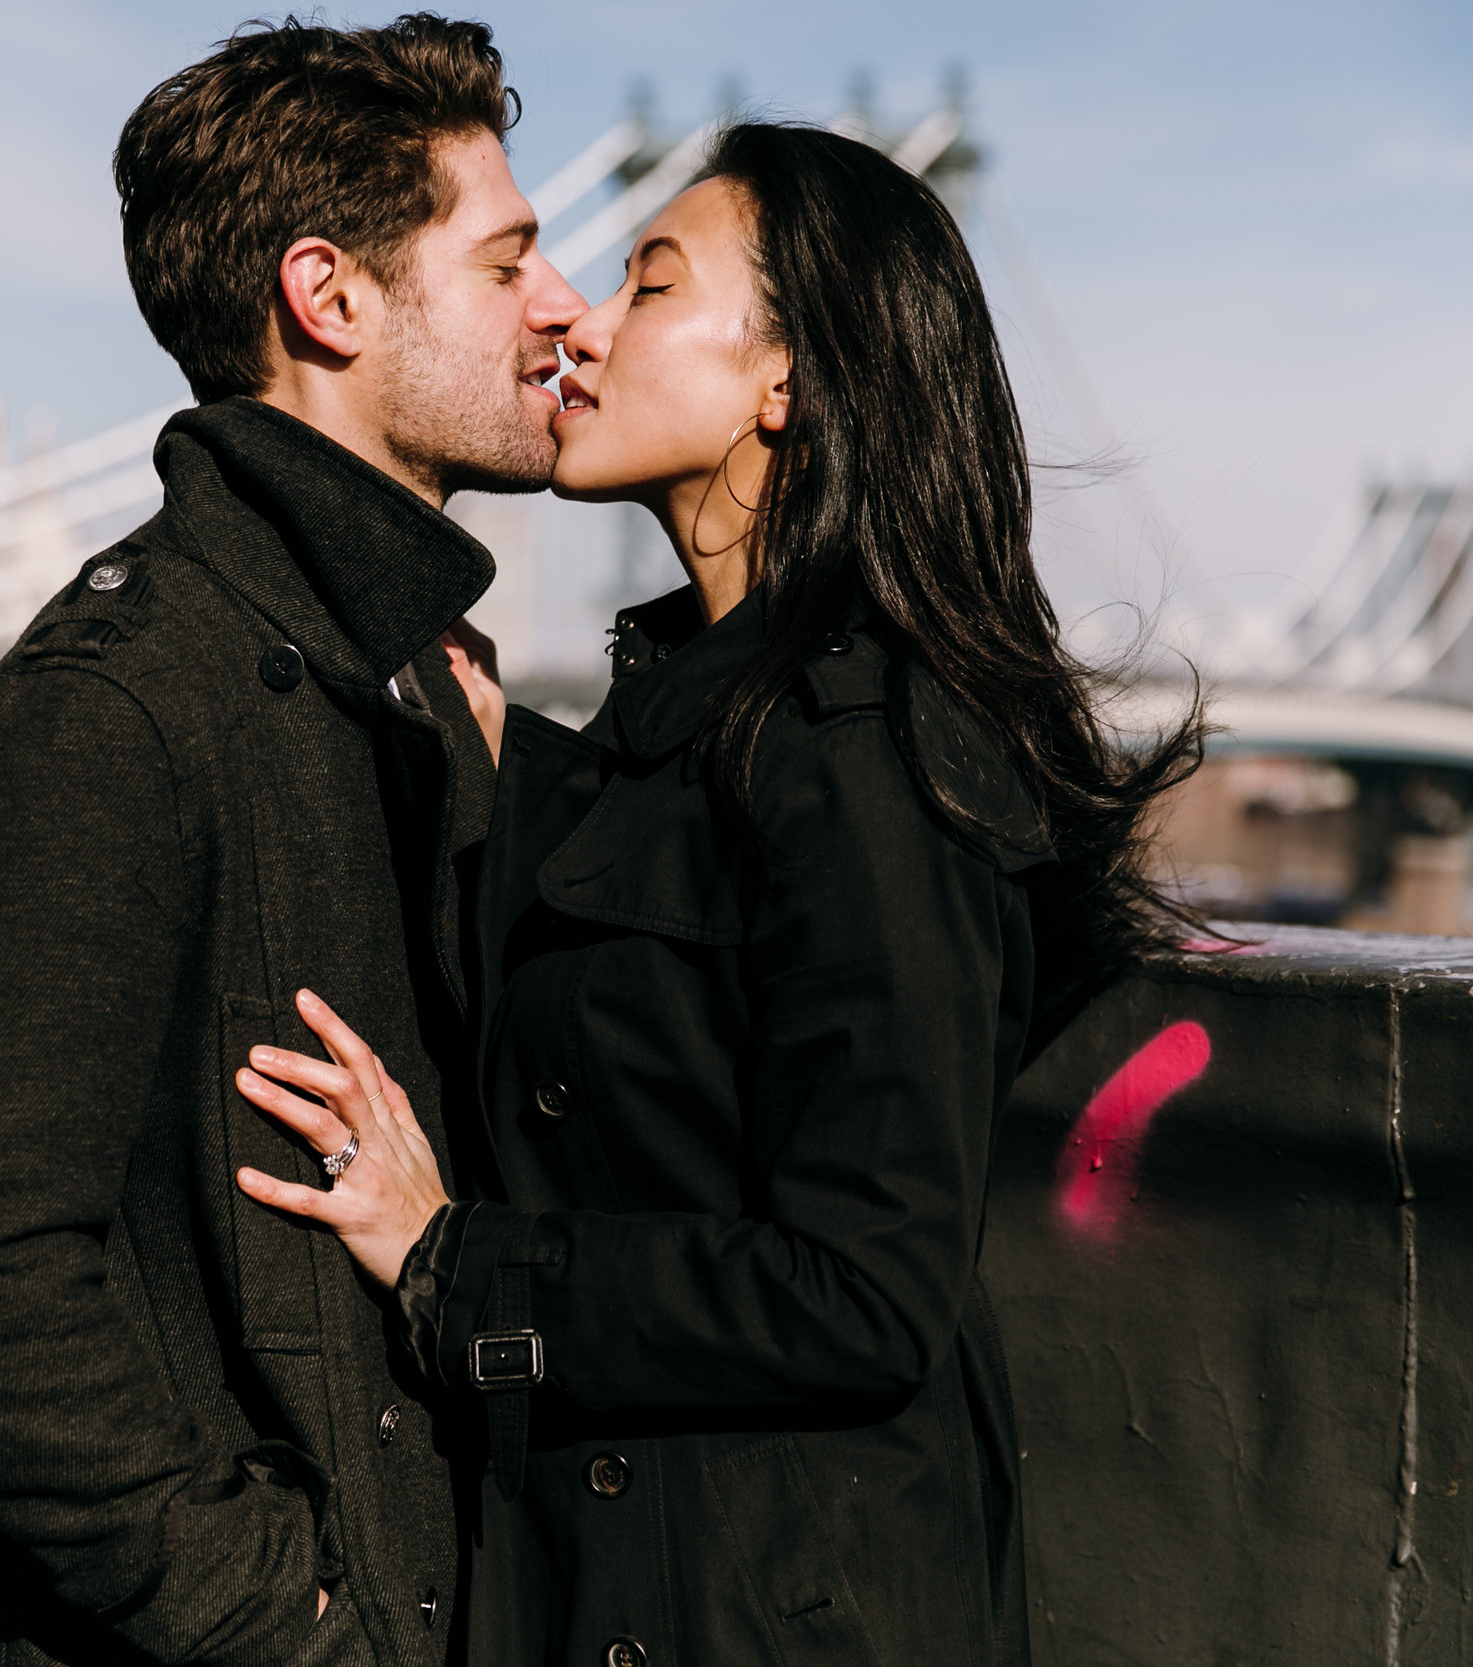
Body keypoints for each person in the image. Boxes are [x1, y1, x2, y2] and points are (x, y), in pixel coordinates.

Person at [231, 123, 1207, 1666]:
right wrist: (519, 763)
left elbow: (865, 1289)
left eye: (650, 281)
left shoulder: (877, 756)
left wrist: (452, 1260)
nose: (583, 323)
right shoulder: (703, 728)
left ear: (788, 383)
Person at [0, 16, 575, 1666]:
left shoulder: (409, 687)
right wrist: (290, 1621)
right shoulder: (107, 712)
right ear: (331, 298)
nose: (563, 307)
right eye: (510, 257)